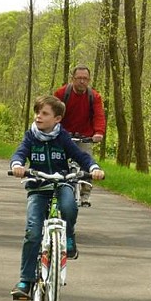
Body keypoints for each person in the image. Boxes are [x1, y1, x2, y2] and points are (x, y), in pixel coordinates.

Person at [9, 95, 105, 299]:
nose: (38, 117)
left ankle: (68, 236)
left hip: (62, 182)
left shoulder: (63, 137)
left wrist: (94, 168)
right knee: (33, 232)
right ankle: (26, 280)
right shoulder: (30, 136)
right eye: (37, 112)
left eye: (44, 113)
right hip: (38, 185)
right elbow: (20, 153)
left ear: (57, 119)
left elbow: (82, 156)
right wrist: (17, 165)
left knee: (69, 206)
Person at [53, 64, 106, 207]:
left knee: (87, 164)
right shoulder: (61, 94)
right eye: (79, 78)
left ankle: (85, 196)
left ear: (89, 80)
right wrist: (53, 130)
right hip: (63, 135)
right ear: (72, 79)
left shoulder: (94, 97)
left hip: (85, 136)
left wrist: (99, 132)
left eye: (85, 78)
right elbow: (53, 113)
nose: (82, 81)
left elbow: (99, 115)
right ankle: (55, 189)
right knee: (58, 161)